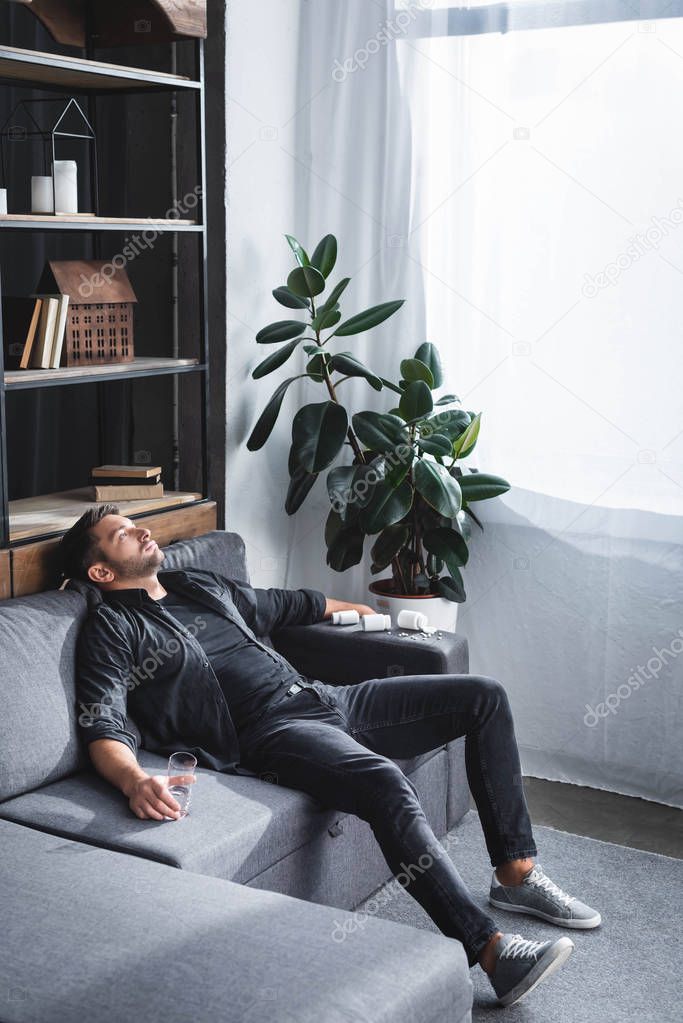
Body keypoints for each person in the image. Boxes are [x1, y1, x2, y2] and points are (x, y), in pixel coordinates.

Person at [59, 505, 600, 1009]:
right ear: (103, 572)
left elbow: (282, 603)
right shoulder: (115, 627)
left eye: (134, 523)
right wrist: (132, 780)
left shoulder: (194, 584)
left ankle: (516, 873)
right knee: (384, 783)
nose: (141, 530)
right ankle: (490, 950)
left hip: (326, 698)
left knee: (484, 696)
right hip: (272, 733)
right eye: (121, 535)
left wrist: (354, 609)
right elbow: (101, 721)